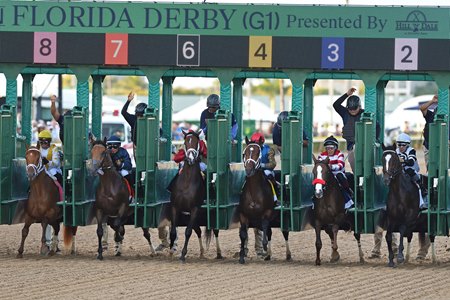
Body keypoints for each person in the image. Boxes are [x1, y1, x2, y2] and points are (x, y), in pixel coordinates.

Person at [333, 87, 380, 173]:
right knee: (353, 165)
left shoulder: (365, 113)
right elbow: (335, 105)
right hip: (351, 146)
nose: (353, 111)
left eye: (355, 109)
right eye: (350, 109)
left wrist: (374, 139)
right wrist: (347, 94)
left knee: (368, 166)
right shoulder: (345, 113)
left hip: (365, 146)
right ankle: (357, 181)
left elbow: (377, 126)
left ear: (359, 107)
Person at [37, 129, 63, 251]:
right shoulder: (37, 149)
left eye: (45, 141)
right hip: (41, 172)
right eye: (41, 141)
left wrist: (48, 162)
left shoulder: (54, 149)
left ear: (49, 141)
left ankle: (62, 196)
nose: (43, 143)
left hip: (53, 171)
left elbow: (57, 163)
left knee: (58, 179)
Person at [318, 136, 354, 210]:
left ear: (335, 148)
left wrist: (331, 167)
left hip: (338, 175)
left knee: (339, 176)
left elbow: (340, 166)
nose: (329, 150)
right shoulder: (321, 155)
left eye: (331, 148)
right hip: (327, 176)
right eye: (327, 148)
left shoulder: (339, 154)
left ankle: (348, 192)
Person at [395, 133, 428, 208]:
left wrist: (402, 160)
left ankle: (421, 198)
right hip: (400, 172)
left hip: (412, 171)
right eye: (399, 145)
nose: (400, 147)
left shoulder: (411, 151)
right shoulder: (396, 151)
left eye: (403, 145)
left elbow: (411, 162)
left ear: (407, 145)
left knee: (409, 171)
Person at [106, 135, 134, 201]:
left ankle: (131, 195)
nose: (112, 149)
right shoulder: (106, 153)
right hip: (110, 171)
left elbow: (129, 164)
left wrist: (121, 164)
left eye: (115, 146)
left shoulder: (123, 152)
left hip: (120, 171)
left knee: (125, 174)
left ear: (119, 146)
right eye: (110, 146)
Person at [419, 95, 438, 167]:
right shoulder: (431, 115)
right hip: (428, 146)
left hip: (442, 146)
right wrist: (432, 101)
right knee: (430, 168)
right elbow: (422, 108)